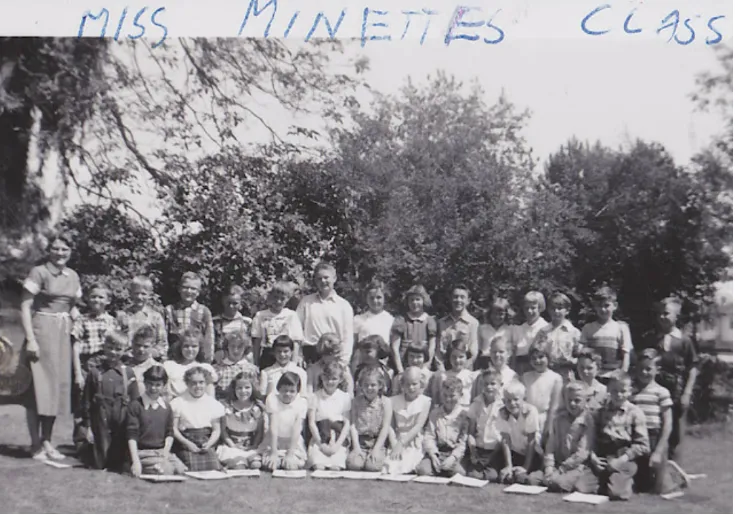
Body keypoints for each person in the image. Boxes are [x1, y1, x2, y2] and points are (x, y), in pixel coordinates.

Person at [20, 233, 83, 461]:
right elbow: (25, 307)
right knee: (38, 388)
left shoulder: (73, 276)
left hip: (63, 335)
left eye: (64, 249)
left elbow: (72, 307)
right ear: (49, 251)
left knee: (56, 389)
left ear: (70, 252)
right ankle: (35, 444)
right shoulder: (39, 272)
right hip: (42, 331)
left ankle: (47, 441)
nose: (60, 253)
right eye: (56, 248)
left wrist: (79, 321)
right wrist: (31, 339)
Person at [80, 331, 140, 471]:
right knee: (100, 461)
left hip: (121, 417)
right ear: (104, 347)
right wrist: (88, 426)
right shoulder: (95, 372)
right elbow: (86, 401)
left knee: (120, 462)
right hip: (101, 418)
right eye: (110, 348)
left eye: (118, 349)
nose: (114, 352)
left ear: (125, 350)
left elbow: (135, 401)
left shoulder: (128, 373)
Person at [649, 297, 698, 462]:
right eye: (659, 314)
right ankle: (658, 463)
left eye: (666, 313)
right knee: (658, 423)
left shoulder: (684, 340)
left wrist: (687, 392)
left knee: (676, 426)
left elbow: (692, 367)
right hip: (657, 385)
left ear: (676, 316)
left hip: (676, 387)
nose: (662, 317)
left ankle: (675, 465)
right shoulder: (654, 339)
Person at [70, 283, 118, 450]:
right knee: (83, 402)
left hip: (105, 364)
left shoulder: (112, 321)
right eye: (93, 296)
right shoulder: (81, 319)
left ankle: (102, 441)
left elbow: (115, 346)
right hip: (86, 363)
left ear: (108, 301)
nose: (97, 300)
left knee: (103, 401)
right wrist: (78, 373)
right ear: (88, 299)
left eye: (101, 297)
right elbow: (75, 347)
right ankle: (81, 443)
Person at [527, 381, 597, 493]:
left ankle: (579, 482)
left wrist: (561, 470)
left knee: (557, 483)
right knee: (532, 479)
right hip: (557, 464)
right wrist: (549, 466)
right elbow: (550, 446)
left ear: (585, 401)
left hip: (575, 467)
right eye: (569, 400)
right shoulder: (558, 419)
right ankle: (553, 478)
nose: (572, 404)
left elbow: (582, 454)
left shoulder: (587, 421)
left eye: (577, 400)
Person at [589, 371, 650, 501]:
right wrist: (593, 457)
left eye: (623, 391)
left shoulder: (635, 413)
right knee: (581, 488)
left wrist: (621, 460)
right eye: (614, 391)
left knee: (616, 494)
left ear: (630, 391)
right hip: (603, 457)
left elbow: (643, 445)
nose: (618, 395)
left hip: (624, 457)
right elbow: (592, 438)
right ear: (608, 390)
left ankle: (627, 482)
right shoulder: (600, 412)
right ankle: (605, 480)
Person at [631, 349, 681, 494]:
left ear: (657, 370)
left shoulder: (661, 392)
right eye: (640, 369)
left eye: (648, 369)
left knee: (661, 489)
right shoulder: (631, 391)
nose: (644, 372)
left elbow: (668, 424)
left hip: (654, 437)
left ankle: (671, 475)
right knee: (641, 485)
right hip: (636, 438)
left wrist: (659, 450)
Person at [127, 365, 187, 477]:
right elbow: (131, 435)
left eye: (158, 385)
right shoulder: (136, 405)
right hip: (142, 452)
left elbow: (169, 433)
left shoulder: (166, 407)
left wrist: (165, 452)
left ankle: (160, 466)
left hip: (161, 451)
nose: (153, 388)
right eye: (150, 384)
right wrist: (136, 462)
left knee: (181, 470)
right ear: (145, 383)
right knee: (167, 470)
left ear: (164, 386)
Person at [296, 262, 354, 366]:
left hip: (335, 355)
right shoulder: (306, 302)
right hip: (310, 355)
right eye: (319, 278)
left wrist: (343, 361)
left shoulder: (344, 305)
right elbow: (296, 330)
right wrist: (298, 355)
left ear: (334, 278)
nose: (323, 281)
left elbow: (348, 337)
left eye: (326, 277)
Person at [171, 366, 225, 471]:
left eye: (201, 382)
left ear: (206, 383)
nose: (197, 386)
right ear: (187, 383)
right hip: (185, 442)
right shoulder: (178, 402)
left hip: (205, 441)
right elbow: (174, 429)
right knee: (191, 467)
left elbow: (216, 429)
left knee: (213, 467)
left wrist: (209, 443)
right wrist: (187, 443)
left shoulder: (213, 404)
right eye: (193, 383)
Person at [416, 376, 469, 477]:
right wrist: (433, 454)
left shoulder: (464, 415)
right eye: (445, 395)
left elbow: (463, 442)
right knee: (423, 470)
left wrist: (453, 457)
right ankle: (439, 467)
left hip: (454, 454)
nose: (448, 399)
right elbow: (429, 435)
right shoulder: (435, 413)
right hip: (438, 451)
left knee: (459, 473)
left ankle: (445, 469)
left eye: (452, 396)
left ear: (460, 395)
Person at [580, 286, 633, 384]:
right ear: (595, 306)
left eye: (607, 305)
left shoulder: (621, 328)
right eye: (599, 306)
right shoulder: (588, 328)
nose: (603, 309)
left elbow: (626, 355)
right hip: (593, 376)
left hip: (613, 376)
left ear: (615, 305)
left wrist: (622, 373)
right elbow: (583, 355)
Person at [384, 367, 432, 475]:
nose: (411, 387)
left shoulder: (425, 401)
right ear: (402, 384)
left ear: (421, 384)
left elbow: (418, 426)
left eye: (414, 384)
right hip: (397, 438)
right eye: (407, 384)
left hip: (414, 440)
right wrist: (395, 444)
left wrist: (401, 444)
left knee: (409, 465)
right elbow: (389, 425)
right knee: (391, 465)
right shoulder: (392, 400)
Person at [306, 361, 352, 471]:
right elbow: (311, 423)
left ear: (340, 380)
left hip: (338, 438)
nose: (330, 382)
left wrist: (337, 445)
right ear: (322, 377)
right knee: (319, 466)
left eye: (334, 379)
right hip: (320, 437)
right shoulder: (315, 396)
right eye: (327, 378)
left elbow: (347, 424)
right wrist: (321, 444)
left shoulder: (344, 397)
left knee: (335, 467)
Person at [216, 371, 265, 470]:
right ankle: (233, 463)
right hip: (232, 446)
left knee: (256, 465)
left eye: (247, 387)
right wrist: (232, 445)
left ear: (253, 388)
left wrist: (254, 445)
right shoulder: (227, 407)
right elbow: (223, 431)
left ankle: (248, 460)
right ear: (234, 389)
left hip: (251, 446)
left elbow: (260, 431)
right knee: (240, 465)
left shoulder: (257, 407)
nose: (243, 391)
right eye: (239, 388)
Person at [347, 365, 392, 472]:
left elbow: (385, 427)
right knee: (354, 465)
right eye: (366, 385)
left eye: (373, 385)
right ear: (361, 386)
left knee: (373, 467)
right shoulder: (355, 402)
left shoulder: (385, 402)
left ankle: (374, 456)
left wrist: (376, 449)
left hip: (377, 441)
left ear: (380, 385)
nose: (369, 388)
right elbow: (352, 425)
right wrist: (356, 447)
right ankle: (360, 456)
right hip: (361, 441)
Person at [497, 379, 542, 484]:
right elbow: (505, 439)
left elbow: (532, 441)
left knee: (522, 478)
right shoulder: (503, 413)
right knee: (503, 475)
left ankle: (527, 471)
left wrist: (525, 467)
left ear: (523, 399)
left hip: (531, 454)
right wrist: (509, 465)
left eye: (516, 399)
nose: (512, 403)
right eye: (508, 400)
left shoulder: (530, 411)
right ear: (504, 401)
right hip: (515, 452)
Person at [262, 371, 309, 471]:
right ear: (278, 389)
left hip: (293, 441)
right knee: (272, 465)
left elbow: (297, 429)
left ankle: (288, 457)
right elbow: (273, 427)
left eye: (292, 391)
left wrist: (290, 454)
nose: (288, 394)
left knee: (291, 465)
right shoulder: (272, 399)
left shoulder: (302, 402)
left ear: (297, 392)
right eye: (284, 390)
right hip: (274, 440)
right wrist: (274, 452)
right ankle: (277, 456)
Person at [165, 271, 215, 363]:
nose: (189, 291)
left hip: (196, 360)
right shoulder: (170, 310)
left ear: (198, 292)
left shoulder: (204, 311)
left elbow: (209, 338)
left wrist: (208, 360)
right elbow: (165, 338)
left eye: (193, 289)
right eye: (185, 287)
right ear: (179, 289)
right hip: (174, 360)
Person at [251, 281, 304, 369]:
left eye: (282, 298)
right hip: (268, 356)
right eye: (275, 297)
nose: (278, 301)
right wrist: (256, 364)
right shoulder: (260, 315)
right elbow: (257, 342)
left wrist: (294, 365)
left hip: (286, 355)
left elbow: (296, 342)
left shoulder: (292, 315)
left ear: (287, 299)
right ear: (270, 297)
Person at [116, 275, 167, 360]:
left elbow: (163, 344)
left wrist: (150, 353)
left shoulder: (155, 317)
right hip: (127, 360)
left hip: (149, 361)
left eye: (143, 294)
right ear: (131, 293)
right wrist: (124, 353)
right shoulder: (122, 315)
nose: (139, 297)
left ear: (150, 295)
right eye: (136, 293)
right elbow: (116, 340)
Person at [466, 369, 504, 481]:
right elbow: (471, 432)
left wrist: (491, 457)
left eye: (493, 384)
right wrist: (473, 452)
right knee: (473, 475)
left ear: (500, 385)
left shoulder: (503, 406)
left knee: (492, 476)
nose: (489, 387)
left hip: (495, 450)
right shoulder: (476, 403)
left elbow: (504, 435)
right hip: (478, 449)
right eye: (486, 384)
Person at [533, 292, 581, 382]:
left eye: (560, 308)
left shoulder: (573, 332)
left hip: (566, 374)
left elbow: (580, 356)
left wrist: (572, 361)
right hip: (546, 373)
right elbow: (534, 352)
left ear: (567, 310)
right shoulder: (543, 331)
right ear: (548, 310)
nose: (556, 311)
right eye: (553, 308)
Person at [522, 342, 563, 445]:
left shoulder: (555, 378)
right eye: (534, 358)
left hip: (546, 419)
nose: (537, 361)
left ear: (548, 358)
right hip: (528, 418)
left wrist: (549, 426)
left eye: (541, 357)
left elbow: (554, 406)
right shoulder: (525, 377)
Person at [389, 284, 437, 374]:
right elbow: (394, 347)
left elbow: (432, 346)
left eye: (418, 299)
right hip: (404, 365)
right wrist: (400, 370)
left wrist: (426, 367)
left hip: (423, 365)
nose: (415, 303)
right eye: (411, 300)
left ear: (424, 300)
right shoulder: (401, 320)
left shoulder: (429, 320)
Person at [163, 330, 218, 399]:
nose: (190, 349)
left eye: (194, 346)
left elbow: (210, 397)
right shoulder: (169, 366)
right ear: (180, 347)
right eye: (186, 346)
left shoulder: (205, 367)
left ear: (200, 348)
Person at [436, 285, 479, 370]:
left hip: (465, 369)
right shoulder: (442, 323)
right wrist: (442, 372)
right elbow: (438, 352)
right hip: (445, 369)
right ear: (451, 299)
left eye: (462, 297)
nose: (458, 300)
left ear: (468, 301)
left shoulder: (473, 323)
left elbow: (473, 352)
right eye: (455, 297)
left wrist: (462, 372)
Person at [428, 339, 477, 410]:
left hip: (465, 411)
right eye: (454, 357)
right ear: (449, 357)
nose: (457, 360)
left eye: (461, 357)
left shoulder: (471, 376)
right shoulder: (443, 376)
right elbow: (437, 399)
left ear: (466, 357)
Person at [212, 285, 253, 364]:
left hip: (241, 362)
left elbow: (250, 347)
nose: (231, 306)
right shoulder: (215, 321)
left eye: (235, 303)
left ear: (241, 303)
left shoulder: (247, 322)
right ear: (223, 301)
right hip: (220, 362)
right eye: (228, 303)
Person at [213, 332, 258, 401]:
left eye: (240, 347)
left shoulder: (252, 369)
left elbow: (255, 393)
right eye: (232, 346)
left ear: (245, 348)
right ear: (227, 347)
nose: (235, 350)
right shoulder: (217, 369)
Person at [511, 291, 548, 375]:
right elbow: (514, 355)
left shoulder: (546, 328)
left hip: (537, 368)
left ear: (540, 308)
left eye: (533, 308)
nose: (529, 311)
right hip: (519, 368)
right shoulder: (518, 329)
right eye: (526, 308)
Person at [470, 334, 518, 399]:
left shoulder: (513, 376)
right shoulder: (480, 375)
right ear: (490, 352)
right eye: (494, 352)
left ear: (509, 353)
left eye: (501, 352)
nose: (497, 354)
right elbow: (475, 398)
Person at [353, 279, 394, 353]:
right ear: (366, 299)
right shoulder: (358, 319)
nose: (375, 301)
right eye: (371, 298)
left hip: (384, 360)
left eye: (378, 297)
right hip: (363, 358)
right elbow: (353, 344)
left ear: (384, 298)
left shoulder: (391, 319)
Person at [476, 297, 513, 371]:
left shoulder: (510, 329)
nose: (497, 317)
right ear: (489, 313)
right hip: (485, 362)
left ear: (506, 314)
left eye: (501, 314)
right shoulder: (482, 328)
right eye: (494, 313)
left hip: (504, 362)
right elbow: (478, 349)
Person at [576, 347, 608, 413]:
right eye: (581, 367)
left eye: (589, 368)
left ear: (598, 369)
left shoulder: (604, 391)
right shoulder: (572, 389)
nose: (584, 371)